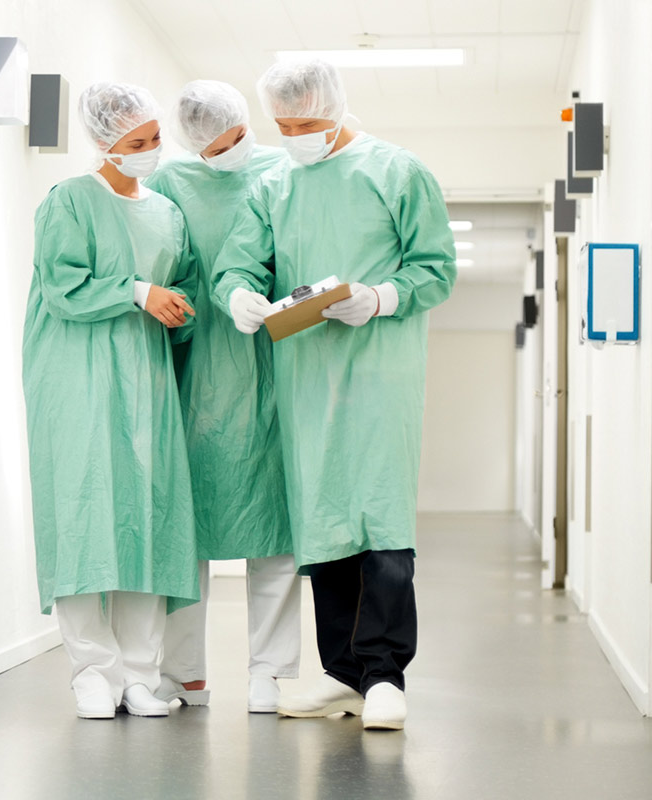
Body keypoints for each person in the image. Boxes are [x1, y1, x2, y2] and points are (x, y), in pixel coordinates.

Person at [211, 59, 457, 731]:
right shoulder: (275, 184)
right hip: (306, 374)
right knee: (323, 519)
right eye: (285, 125)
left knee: (377, 516)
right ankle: (342, 676)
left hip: (380, 372)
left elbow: (435, 268)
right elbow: (239, 259)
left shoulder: (397, 172)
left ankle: (383, 674)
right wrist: (238, 294)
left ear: (339, 109)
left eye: (308, 123)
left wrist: (381, 298)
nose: (296, 136)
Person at [22, 82, 201, 719]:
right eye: (136, 143)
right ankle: (91, 673)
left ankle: (138, 676)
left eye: (155, 139)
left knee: (147, 522)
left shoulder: (165, 212)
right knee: (84, 519)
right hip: (77, 377)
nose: (150, 151)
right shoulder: (69, 201)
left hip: (145, 379)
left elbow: (176, 283)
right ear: (104, 143)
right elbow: (63, 289)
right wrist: (135, 292)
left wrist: (175, 306)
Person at [143, 80, 300, 715]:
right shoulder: (168, 184)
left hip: (275, 361)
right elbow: (158, 263)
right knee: (188, 529)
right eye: (215, 145)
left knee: (277, 529)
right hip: (194, 368)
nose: (232, 150)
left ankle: (270, 672)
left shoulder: (286, 170)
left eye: (238, 136)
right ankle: (185, 675)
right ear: (190, 144)